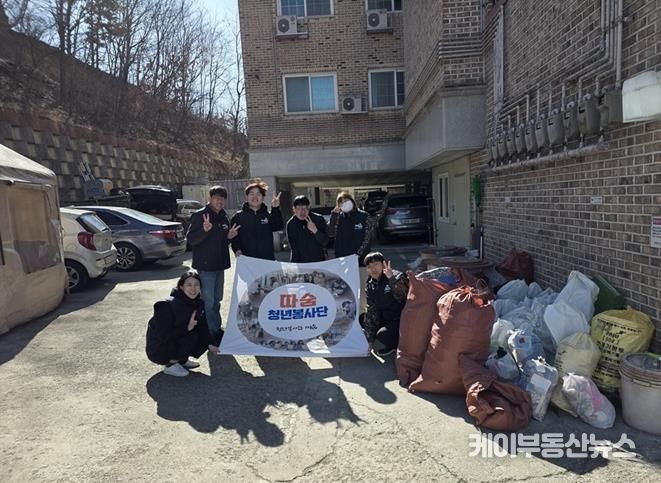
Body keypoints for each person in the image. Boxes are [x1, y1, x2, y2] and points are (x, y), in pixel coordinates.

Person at [186, 185, 238, 342]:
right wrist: (204, 230)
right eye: (216, 198)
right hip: (206, 266)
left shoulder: (223, 216)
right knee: (208, 302)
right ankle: (210, 332)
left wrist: (228, 237)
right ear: (209, 199)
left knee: (217, 300)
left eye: (222, 199)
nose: (219, 201)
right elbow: (191, 239)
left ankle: (216, 328)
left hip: (219, 265)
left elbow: (221, 241)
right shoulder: (200, 215)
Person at [146, 271, 220, 377]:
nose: (193, 289)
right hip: (158, 349)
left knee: (200, 334)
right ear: (181, 287)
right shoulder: (167, 305)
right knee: (190, 335)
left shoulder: (198, 303)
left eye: (196, 285)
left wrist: (210, 344)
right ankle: (170, 364)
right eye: (189, 285)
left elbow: (203, 327)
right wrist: (187, 328)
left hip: (176, 339)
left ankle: (181, 360)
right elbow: (163, 336)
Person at [359, 252, 409, 357]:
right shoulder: (370, 284)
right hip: (384, 317)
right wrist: (370, 339)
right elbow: (372, 309)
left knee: (380, 342)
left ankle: (397, 343)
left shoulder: (396, 276)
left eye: (376, 264)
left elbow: (403, 296)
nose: (373, 269)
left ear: (383, 264)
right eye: (369, 266)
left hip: (400, 319)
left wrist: (392, 279)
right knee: (362, 319)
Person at [230, 179, 284, 260]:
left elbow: (278, 226)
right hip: (246, 260)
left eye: (258, 194)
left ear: (263, 197)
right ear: (246, 197)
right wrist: (237, 249)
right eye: (251, 194)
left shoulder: (268, 215)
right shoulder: (238, 217)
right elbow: (234, 238)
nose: (255, 197)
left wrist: (275, 208)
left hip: (267, 260)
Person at [327, 191, 372, 264]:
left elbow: (367, 238)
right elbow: (330, 233)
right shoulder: (338, 217)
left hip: (361, 260)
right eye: (341, 202)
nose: (344, 203)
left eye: (346, 201)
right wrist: (334, 216)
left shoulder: (364, 216)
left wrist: (358, 254)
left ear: (352, 201)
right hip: (342, 259)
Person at [286, 195, 329, 263]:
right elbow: (294, 248)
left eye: (305, 208)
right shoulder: (291, 224)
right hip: (301, 263)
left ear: (309, 208)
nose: (302, 211)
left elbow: (325, 242)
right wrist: (294, 265)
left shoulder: (318, 219)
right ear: (294, 209)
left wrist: (315, 231)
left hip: (319, 261)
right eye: (299, 208)